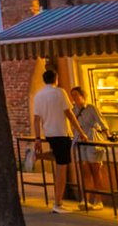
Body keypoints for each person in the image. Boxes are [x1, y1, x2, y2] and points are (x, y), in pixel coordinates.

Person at [31, 68, 86, 213]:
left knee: (58, 156)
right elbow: (69, 113)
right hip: (61, 132)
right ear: (56, 79)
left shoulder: (38, 95)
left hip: (49, 133)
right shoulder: (60, 92)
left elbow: (36, 119)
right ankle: (58, 203)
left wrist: (37, 138)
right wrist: (80, 131)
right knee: (62, 168)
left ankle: (38, 156)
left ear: (44, 80)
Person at [68, 85, 111, 211]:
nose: (74, 98)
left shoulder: (91, 108)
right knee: (85, 171)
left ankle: (98, 200)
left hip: (92, 140)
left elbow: (102, 123)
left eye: (76, 95)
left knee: (95, 171)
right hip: (80, 142)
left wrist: (107, 136)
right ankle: (85, 200)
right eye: (72, 95)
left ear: (82, 96)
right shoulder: (73, 110)